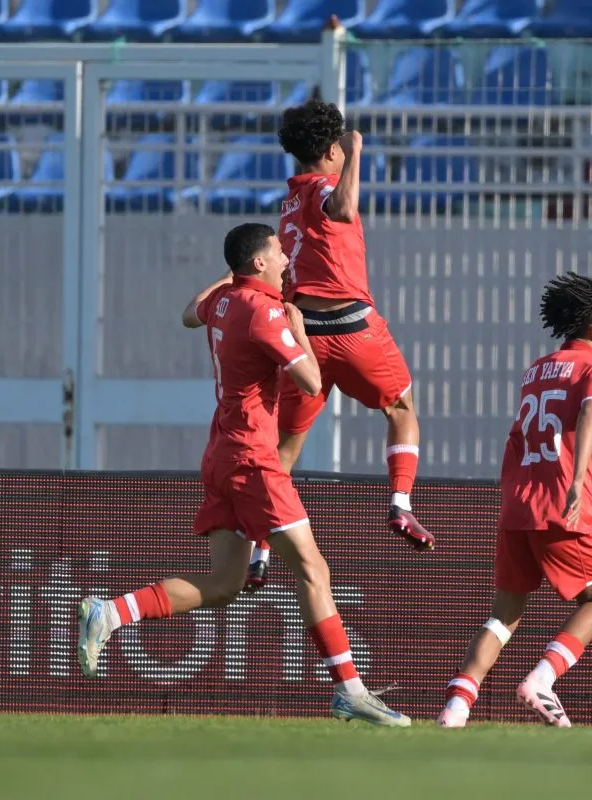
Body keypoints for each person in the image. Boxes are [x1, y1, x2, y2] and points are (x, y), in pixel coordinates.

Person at [77, 222, 410, 727]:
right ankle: (351, 691)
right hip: (254, 457)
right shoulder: (266, 312)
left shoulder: (225, 302)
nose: (285, 260)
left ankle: (113, 612)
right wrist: (298, 329)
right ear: (258, 263)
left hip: (221, 453)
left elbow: (190, 312)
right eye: (276, 253)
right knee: (314, 570)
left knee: (226, 582)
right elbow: (313, 381)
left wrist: (233, 278)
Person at [243, 99, 434, 594]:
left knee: (283, 451)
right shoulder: (330, 184)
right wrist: (357, 153)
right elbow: (344, 207)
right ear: (331, 151)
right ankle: (400, 504)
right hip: (352, 328)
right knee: (402, 406)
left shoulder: (287, 203)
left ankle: (259, 549)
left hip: (303, 336)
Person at [437, 272, 592, 729]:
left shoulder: (536, 370)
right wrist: (575, 477)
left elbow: (534, 433)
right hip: (560, 503)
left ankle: (455, 708)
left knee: (503, 616)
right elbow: (589, 413)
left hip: (518, 506)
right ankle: (542, 681)